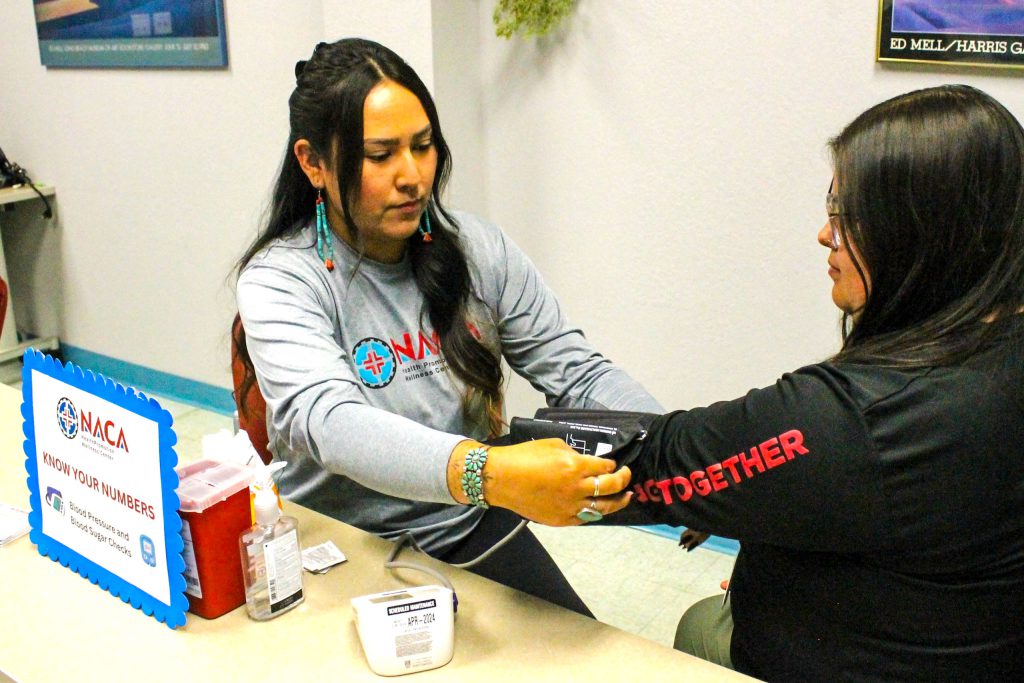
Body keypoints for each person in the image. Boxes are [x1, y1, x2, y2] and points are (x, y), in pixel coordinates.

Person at [608, 84, 1024, 680]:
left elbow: (653, 462)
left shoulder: (857, 416)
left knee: (697, 625)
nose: (825, 235)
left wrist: (472, 459)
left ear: (921, 230)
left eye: (846, 214)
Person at [233, 38, 661, 616]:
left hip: (465, 527)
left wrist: (678, 459)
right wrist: (492, 473)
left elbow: (577, 371)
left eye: (423, 145)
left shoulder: (479, 249)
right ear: (313, 163)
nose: (412, 176)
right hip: (336, 548)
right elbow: (330, 424)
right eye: (380, 155)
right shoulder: (281, 279)